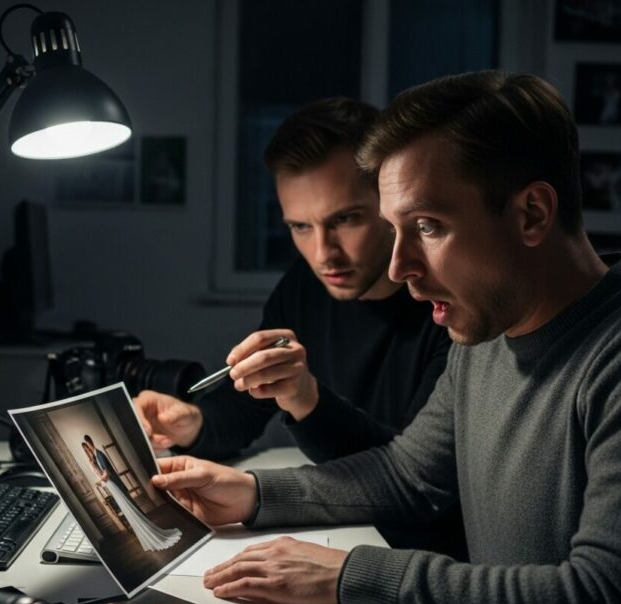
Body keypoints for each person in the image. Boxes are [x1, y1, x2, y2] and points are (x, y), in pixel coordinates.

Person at [151, 71, 621, 604]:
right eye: (395, 230)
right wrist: (252, 495)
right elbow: (407, 476)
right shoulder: (487, 332)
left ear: (531, 214)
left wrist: (351, 577)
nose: (399, 267)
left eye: (427, 227)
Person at [135, 97, 460, 556]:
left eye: (344, 219)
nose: (324, 253)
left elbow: (409, 481)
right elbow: (248, 406)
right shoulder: (304, 287)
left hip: (418, 555)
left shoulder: (451, 309)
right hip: (341, 534)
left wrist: (307, 400)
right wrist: (194, 423)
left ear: (390, 202)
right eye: (300, 227)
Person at [82, 434, 182, 552]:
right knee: (129, 511)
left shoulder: (99, 454)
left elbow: (106, 474)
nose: (89, 448)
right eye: (86, 448)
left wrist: (98, 481)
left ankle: (149, 532)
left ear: (91, 443)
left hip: (116, 485)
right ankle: (145, 533)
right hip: (113, 486)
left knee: (131, 509)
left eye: (89, 445)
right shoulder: (95, 456)